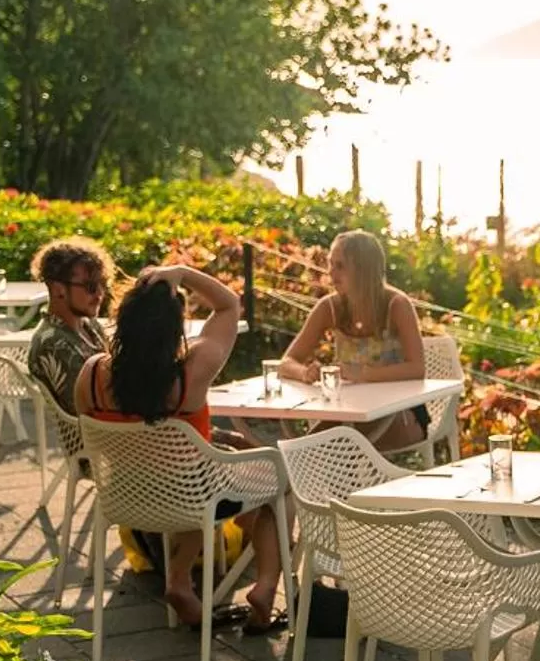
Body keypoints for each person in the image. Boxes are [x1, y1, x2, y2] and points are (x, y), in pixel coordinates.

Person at [74, 264, 285, 633]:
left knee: (195, 479)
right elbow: (229, 306)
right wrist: (181, 272)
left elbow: (104, 430)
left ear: (123, 321)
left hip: (126, 496)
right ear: (174, 328)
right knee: (277, 484)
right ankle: (266, 586)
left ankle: (180, 583)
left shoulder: (91, 374)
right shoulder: (192, 372)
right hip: (191, 497)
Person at [276, 230, 426, 450]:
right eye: (330, 264)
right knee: (310, 450)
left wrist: (364, 374)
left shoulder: (396, 305)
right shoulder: (330, 308)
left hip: (400, 415)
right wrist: (305, 373)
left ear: (363, 270)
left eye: (340, 266)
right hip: (348, 414)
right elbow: (286, 362)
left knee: (315, 449)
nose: (331, 273)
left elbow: (417, 368)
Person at [24, 237, 114, 411]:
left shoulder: (89, 325)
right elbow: (87, 409)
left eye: (103, 284)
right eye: (91, 286)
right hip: (98, 434)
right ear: (59, 290)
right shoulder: (53, 343)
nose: (100, 294)